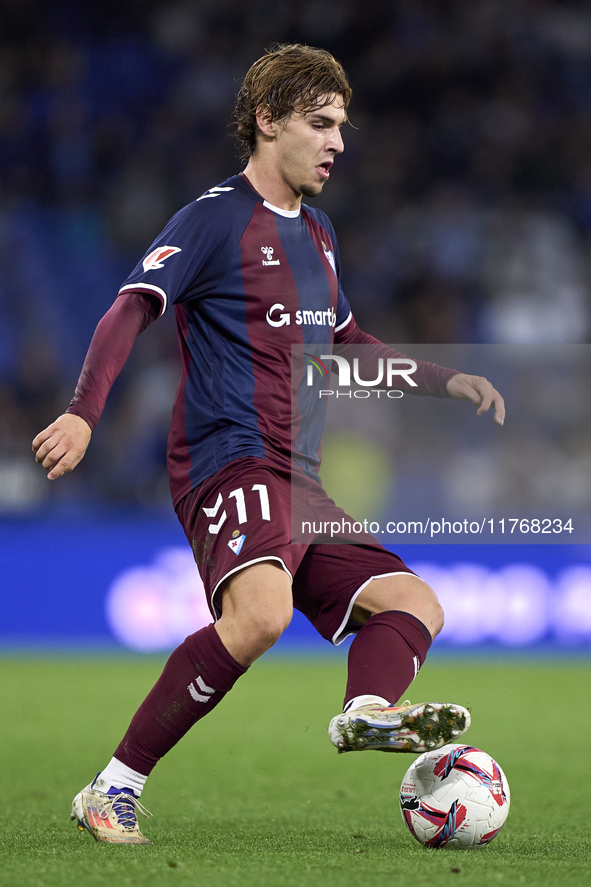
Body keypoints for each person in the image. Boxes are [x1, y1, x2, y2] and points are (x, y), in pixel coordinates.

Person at [32, 44, 505, 846]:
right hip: (227, 457)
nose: (338, 143)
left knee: (414, 603)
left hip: (298, 476)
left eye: (342, 127)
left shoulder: (317, 232)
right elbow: (131, 308)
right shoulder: (212, 218)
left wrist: (441, 380)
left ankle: (366, 712)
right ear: (267, 121)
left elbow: (345, 338)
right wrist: (83, 412)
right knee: (259, 615)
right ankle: (111, 789)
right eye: (320, 124)